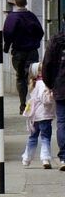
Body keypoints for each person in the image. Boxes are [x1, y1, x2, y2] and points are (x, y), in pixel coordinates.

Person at [3, 0, 45, 112]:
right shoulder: (31, 16)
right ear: (26, 2)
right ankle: (35, 102)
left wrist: (6, 47)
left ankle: (23, 104)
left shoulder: (12, 17)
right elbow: (40, 32)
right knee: (33, 76)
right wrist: (35, 42)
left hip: (18, 51)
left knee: (20, 77)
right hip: (32, 51)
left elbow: (7, 33)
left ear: (15, 3)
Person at [22, 62, 55, 169]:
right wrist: (52, 94)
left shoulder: (34, 84)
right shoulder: (43, 84)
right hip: (44, 115)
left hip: (34, 116)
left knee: (32, 137)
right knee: (45, 137)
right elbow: (46, 100)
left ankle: (26, 158)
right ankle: (45, 158)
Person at [42, 21, 65, 171]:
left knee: (62, 122)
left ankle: (64, 157)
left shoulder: (56, 40)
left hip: (61, 87)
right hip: (60, 86)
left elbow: (47, 65)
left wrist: (51, 85)